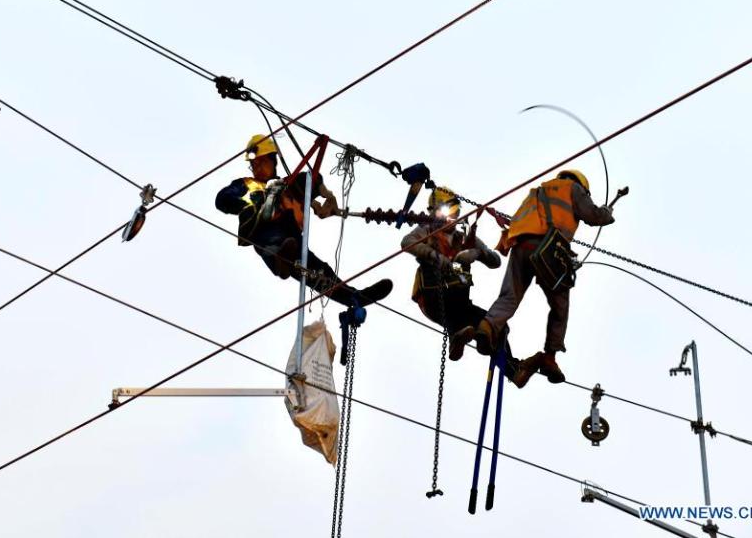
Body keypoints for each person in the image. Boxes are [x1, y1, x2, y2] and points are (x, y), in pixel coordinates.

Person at [215, 134, 393, 308]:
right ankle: (280, 260)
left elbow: (313, 181)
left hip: (292, 238)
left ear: (273, 160)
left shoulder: (289, 186)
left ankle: (355, 298)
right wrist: (250, 203)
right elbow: (222, 199)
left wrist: (327, 198)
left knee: (320, 270)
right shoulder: (246, 184)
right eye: (253, 164)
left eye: (261, 161)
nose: (257, 167)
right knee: (273, 244)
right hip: (266, 230)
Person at [471, 169, 615, 384]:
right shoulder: (573, 188)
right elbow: (593, 216)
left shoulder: (537, 191)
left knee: (510, 295)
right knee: (560, 304)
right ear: (582, 185)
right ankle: (550, 357)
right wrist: (606, 212)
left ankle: (488, 326)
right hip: (548, 249)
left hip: (521, 245)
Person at [401, 187, 535, 386]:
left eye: (454, 212)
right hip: (432, 296)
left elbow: (495, 261)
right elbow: (407, 242)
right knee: (454, 286)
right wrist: (435, 257)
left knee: (496, 327)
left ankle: (511, 369)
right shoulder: (427, 230)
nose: (451, 217)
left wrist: (478, 253)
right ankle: (457, 334)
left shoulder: (462, 236)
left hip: (459, 302)